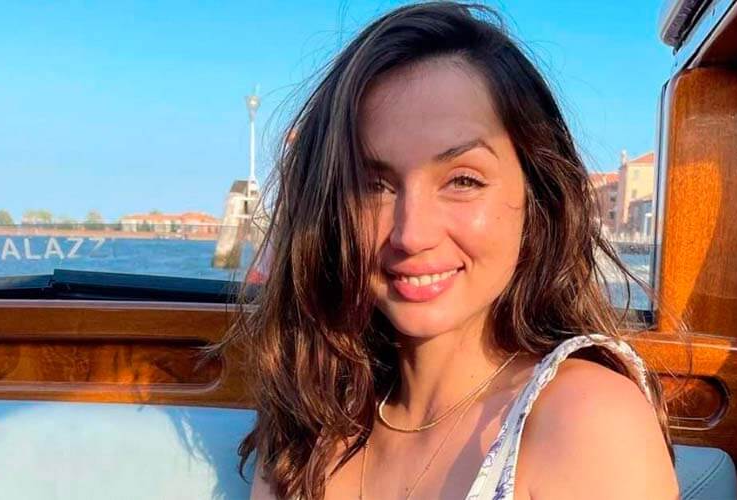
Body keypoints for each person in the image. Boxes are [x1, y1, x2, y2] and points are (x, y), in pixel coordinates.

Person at [219, 2, 679, 498]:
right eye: (373, 186)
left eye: (462, 180)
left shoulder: (586, 423)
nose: (412, 234)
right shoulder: (309, 425)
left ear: (537, 199)